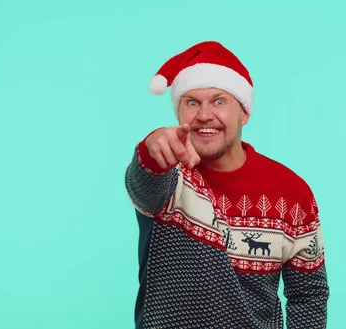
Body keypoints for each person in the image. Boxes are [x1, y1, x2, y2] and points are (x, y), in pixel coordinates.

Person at [124, 41, 329, 329]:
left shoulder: (292, 193)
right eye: (192, 102)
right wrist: (151, 146)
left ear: (244, 113)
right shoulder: (169, 176)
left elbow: (308, 295)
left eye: (219, 101)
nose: (205, 115)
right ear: (179, 113)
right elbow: (142, 184)